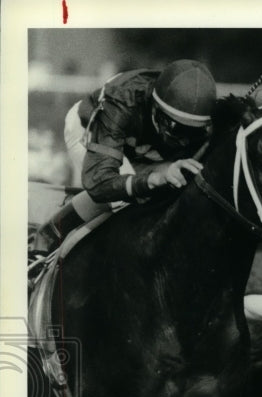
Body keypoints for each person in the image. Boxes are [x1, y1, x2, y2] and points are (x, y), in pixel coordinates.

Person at [29, 59, 217, 263]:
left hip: (138, 144)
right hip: (88, 129)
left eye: (191, 131)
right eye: (175, 128)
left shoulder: (200, 123)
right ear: (155, 108)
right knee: (121, 198)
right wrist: (151, 180)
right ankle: (47, 235)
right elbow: (100, 182)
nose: (181, 139)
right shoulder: (121, 100)